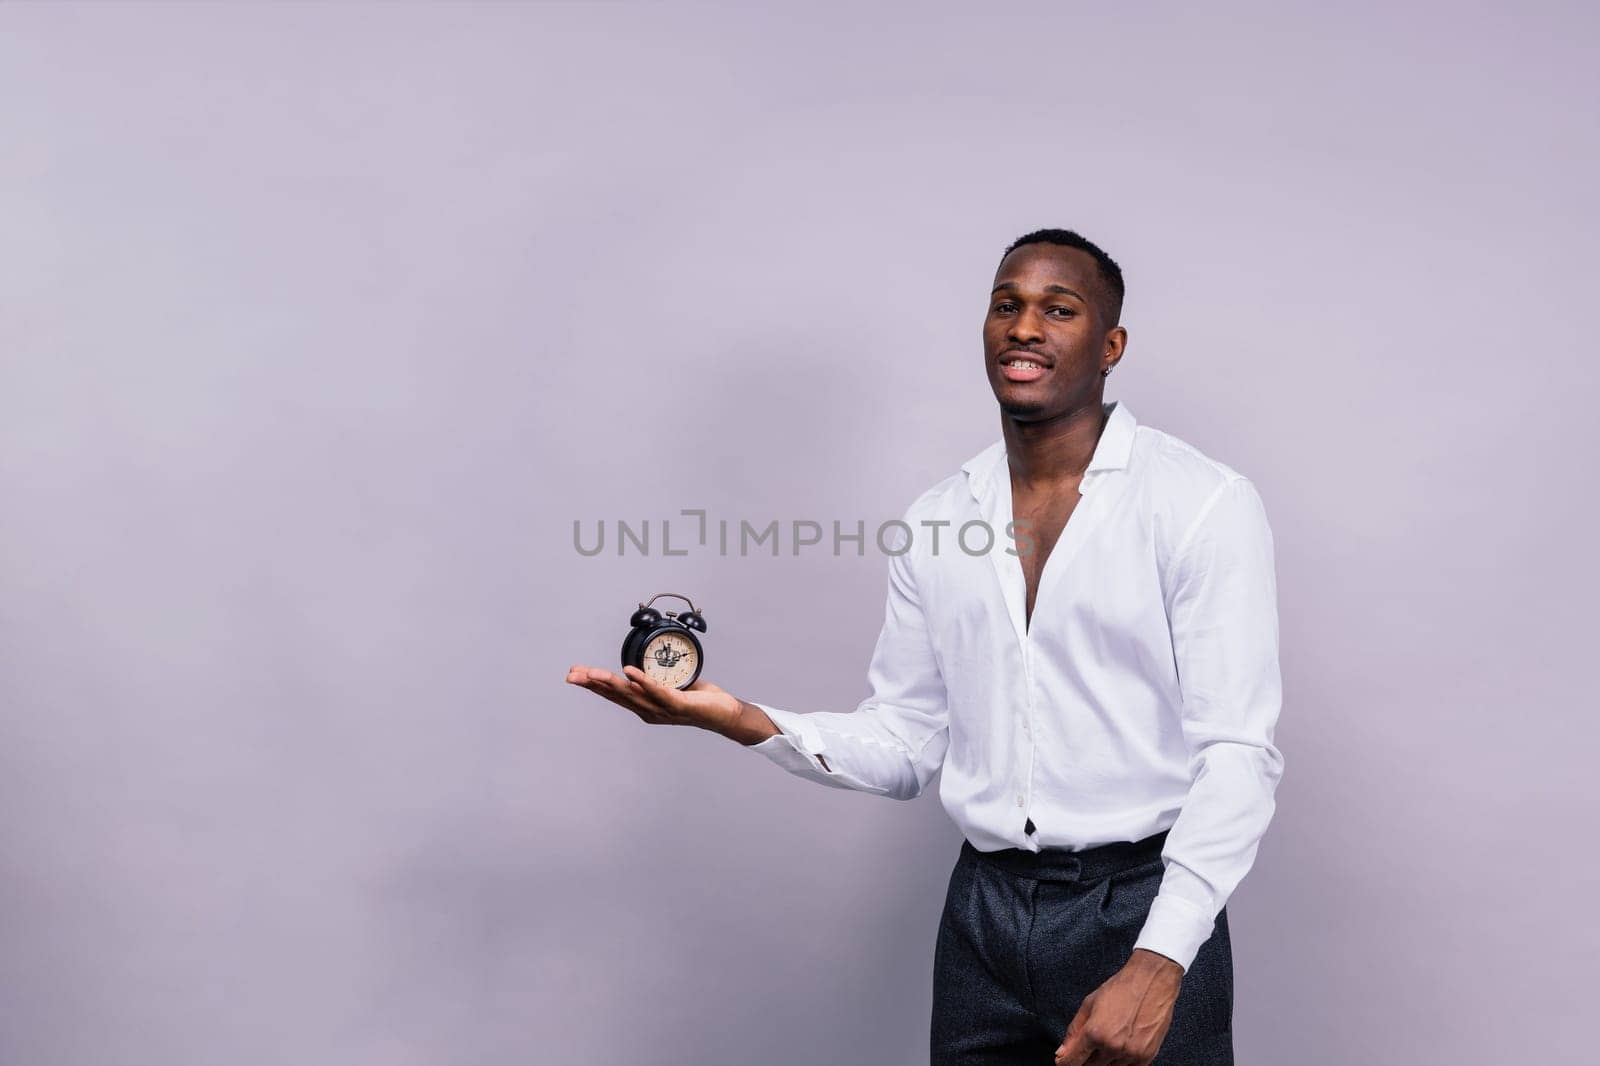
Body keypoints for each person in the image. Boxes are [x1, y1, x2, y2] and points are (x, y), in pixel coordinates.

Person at [566, 228, 1284, 1065]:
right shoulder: (938, 521)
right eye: (1006, 305)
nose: (1024, 327)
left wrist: (1161, 961)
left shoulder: (1202, 505)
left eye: (1060, 309)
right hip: (982, 912)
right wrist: (740, 717)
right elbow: (906, 742)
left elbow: (1238, 753)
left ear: (1110, 344)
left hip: (1139, 906)